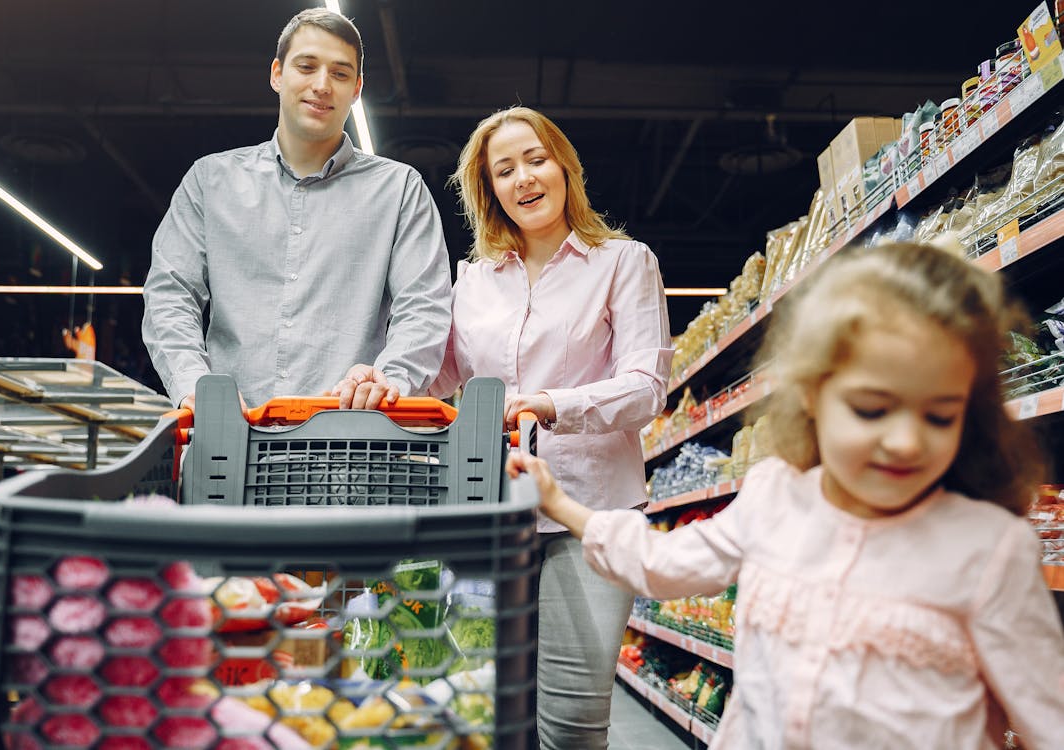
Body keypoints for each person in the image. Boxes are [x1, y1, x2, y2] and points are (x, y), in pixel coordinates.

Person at [507, 240, 1064, 749]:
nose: (904, 441)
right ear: (815, 397)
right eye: (871, 409)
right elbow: (667, 563)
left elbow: (1048, 715)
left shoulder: (988, 550)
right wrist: (560, 505)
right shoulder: (778, 496)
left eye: (940, 415)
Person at [432, 106, 672, 749]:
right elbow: (436, 379)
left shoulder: (623, 261)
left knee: (571, 724)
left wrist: (546, 403)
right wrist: (379, 379)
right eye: (503, 170)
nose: (524, 179)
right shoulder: (471, 281)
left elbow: (647, 388)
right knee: (486, 715)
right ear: (490, 191)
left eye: (535, 159)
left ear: (564, 166)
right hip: (487, 518)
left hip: (589, 514)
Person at [142, 9, 451, 412]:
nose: (321, 85)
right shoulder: (209, 181)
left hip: (352, 449)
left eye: (340, 74)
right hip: (227, 443)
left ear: (356, 89)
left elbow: (424, 308)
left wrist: (388, 381)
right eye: (306, 66)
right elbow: (171, 294)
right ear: (277, 74)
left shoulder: (399, 190)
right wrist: (193, 384)